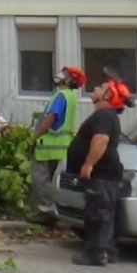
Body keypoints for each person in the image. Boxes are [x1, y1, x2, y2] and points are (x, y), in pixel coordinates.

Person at [65, 66, 133, 266]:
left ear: (108, 95)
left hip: (100, 172)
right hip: (105, 173)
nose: (95, 87)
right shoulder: (106, 116)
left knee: (98, 213)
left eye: (102, 86)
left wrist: (88, 164)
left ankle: (95, 253)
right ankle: (108, 250)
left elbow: (101, 141)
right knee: (105, 212)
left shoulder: (104, 116)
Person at [26, 66, 85, 224]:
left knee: (41, 180)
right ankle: (55, 210)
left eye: (64, 74)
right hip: (62, 148)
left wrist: (33, 138)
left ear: (69, 80)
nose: (60, 75)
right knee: (54, 181)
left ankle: (45, 212)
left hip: (48, 148)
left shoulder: (60, 95)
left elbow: (50, 119)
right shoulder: (71, 97)